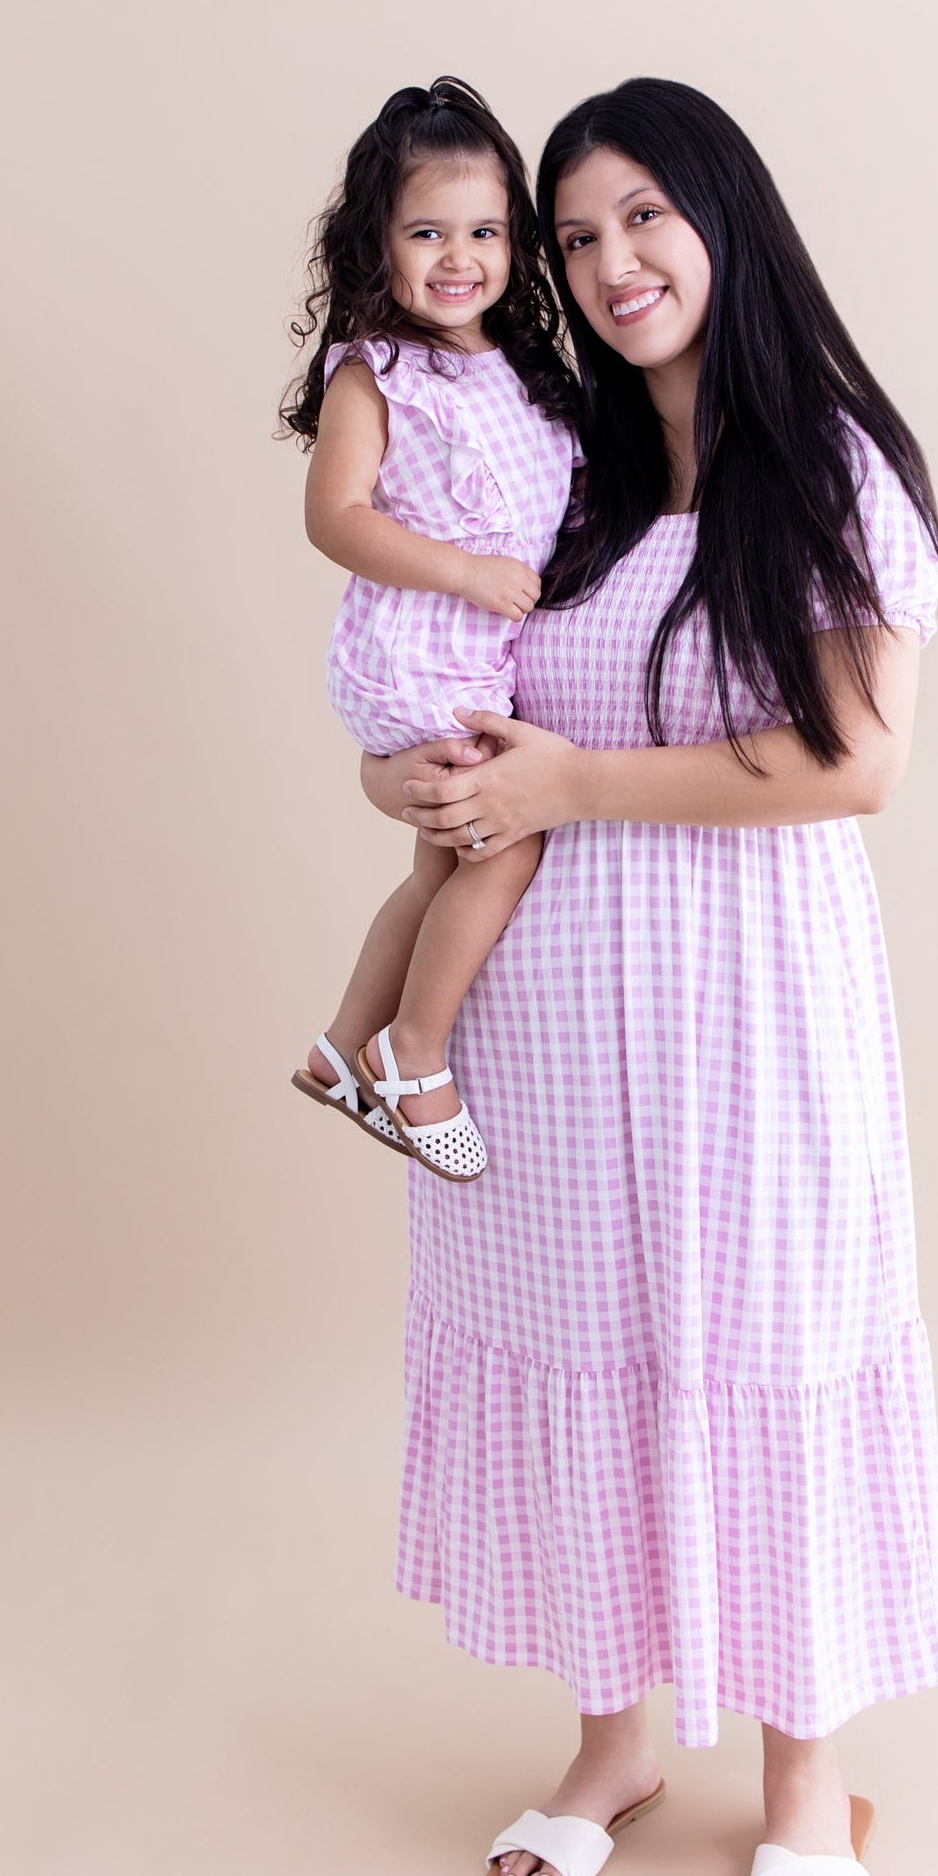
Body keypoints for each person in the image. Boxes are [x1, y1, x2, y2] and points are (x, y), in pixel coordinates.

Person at [359, 77, 938, 1876]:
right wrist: (426, 792)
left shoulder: (835, 461)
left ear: (722, 217)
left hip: (750, 1016)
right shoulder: (569, 477)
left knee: (760, 1344)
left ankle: (801, 1779)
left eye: (641, 217)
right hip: (550, 1019)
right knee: (593, 1346)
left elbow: (852, 765)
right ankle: (611, 1744)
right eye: (573, 234)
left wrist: (571, 789)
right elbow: (455, 715)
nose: (608, 264)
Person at [282, 80, 581, 1178]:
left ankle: (336, 1050)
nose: (458, 257)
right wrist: (463, 572)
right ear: (378, 242)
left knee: (437, 874)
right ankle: (415, 1050)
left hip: (476, 659)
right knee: (511, 841)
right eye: (426, 232)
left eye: (484, 231)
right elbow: (334, 516)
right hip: (419, 654)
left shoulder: (516, 370)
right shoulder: (378, 369)